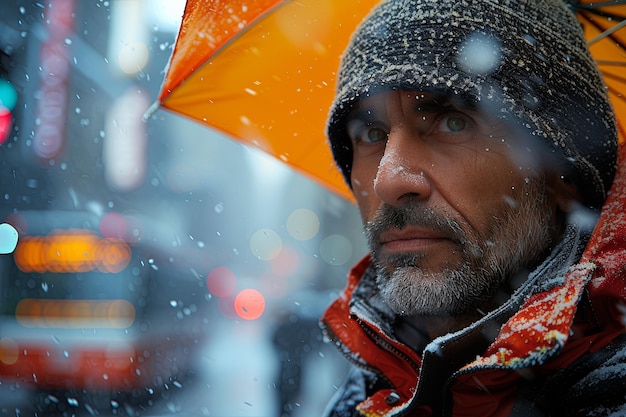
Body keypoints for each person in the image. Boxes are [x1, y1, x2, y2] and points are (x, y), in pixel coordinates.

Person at [319, 0, 626, 416]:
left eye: (453, 121)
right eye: (372, 133)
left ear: (562, 175)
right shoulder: (367, 394)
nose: (388, 181)